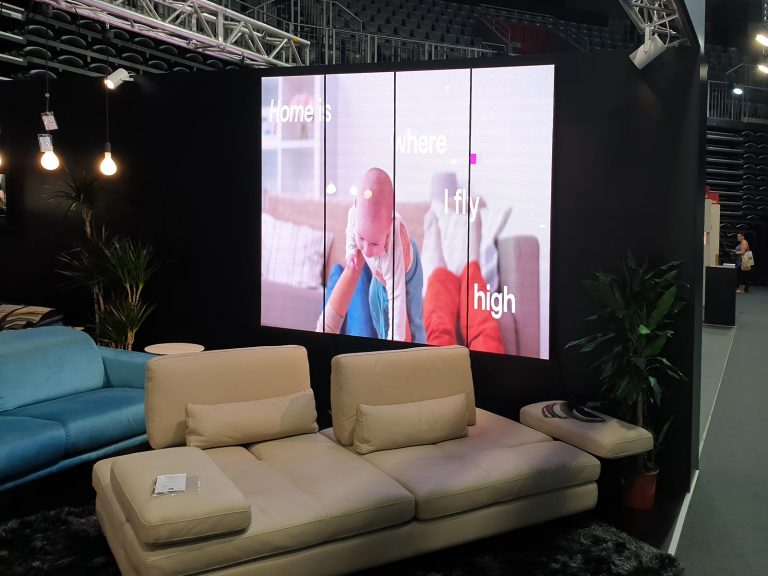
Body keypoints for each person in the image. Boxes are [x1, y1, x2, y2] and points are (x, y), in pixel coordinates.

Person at [317, 168, 426, 343]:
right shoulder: (355, 214)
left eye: (373, 243)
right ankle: (340, 271)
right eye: (361, 237)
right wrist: (351, 252)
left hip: (405, 268)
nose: (366, 250)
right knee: (374, 302)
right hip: (377, 267)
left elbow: (397, 298)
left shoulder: (394, 246)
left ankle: (340, 272)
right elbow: (351, 232)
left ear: (389, 228)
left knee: (414, 318)